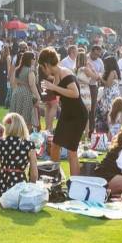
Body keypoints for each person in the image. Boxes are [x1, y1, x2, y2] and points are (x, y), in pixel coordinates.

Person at [39, 47, 87, 177]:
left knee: (72, 152)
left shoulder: (65, 72)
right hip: (67, 114)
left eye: (42, 67)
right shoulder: (55, 76)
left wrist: (53, 87)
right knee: (55, 145)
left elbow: (75, 93)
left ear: (46, 64)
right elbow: (61, 97)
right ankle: (55, 177)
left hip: (77, 115)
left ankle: (75, 184)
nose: (43, 71)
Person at [0, 112, 38, 200]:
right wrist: (31, 190)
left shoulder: (0, 143)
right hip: (19, 188)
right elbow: (34, 173)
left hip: (2, 187)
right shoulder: (29, 145)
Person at [7, 50, 37, 129]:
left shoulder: (17, 69)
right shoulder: (30, 70)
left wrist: (17, 90)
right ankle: (25, 136)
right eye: (34, 58)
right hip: (26, 94)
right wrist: (38, 96)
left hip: (16, 92)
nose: (35, 60)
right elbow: (32, 85)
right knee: (26, 118)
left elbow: (13, 82)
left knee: (15, 117)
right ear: (30, 59)